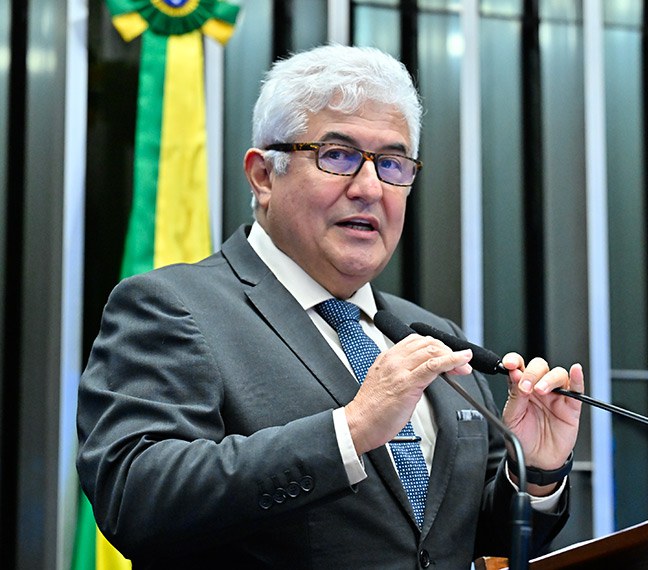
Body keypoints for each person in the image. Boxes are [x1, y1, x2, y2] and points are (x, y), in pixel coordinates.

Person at [76, 44, 585, 569]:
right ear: (263, 176)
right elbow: (136, 499)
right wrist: (350, 430)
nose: (369, 188)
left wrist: (539, 470)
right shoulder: (172, 308)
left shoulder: (433, 335)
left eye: (392, 163)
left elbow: (459, 536)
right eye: (337, 156)